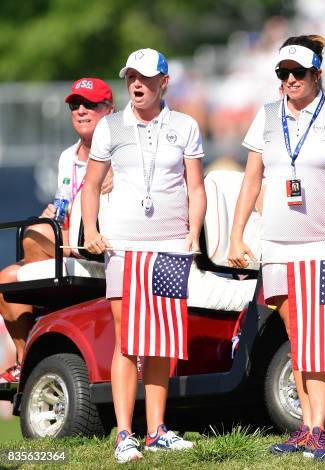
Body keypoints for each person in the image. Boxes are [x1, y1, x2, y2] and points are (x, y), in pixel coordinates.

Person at [228, 35, 325, 462]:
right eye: (283, 73)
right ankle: (310, 428)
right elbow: (251, 180)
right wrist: (238, 234)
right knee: (298, 335)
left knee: (324, 338)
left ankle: (316, 427)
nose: (290, 80)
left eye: (298, 73)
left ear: (317, 74)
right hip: (277, 245)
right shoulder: (266, 117)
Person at [81, 48, 205, 463]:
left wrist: (193, 234)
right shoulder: (110, 127)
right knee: (128, 341)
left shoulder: (185, 125)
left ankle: (156, 431)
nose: (136, 84)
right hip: (124, 246)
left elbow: (196, 188)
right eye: (131, 76)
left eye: (145, 77)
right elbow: (92, 185)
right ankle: (124, 434)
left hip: (171, 244)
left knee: (162, 343)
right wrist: (93, 230)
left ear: (163, 82)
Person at [0, 78, 114, 384]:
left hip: (107, 246)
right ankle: (26, 363)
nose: (80, 110)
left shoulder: (121, 151)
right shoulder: (68, 157)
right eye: (75, 105)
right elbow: (65, 207)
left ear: (109, 110)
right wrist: (54, 215)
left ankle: (42, 317)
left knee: (35, 234)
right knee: (7, 280)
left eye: (90, 104)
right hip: (69, 241)